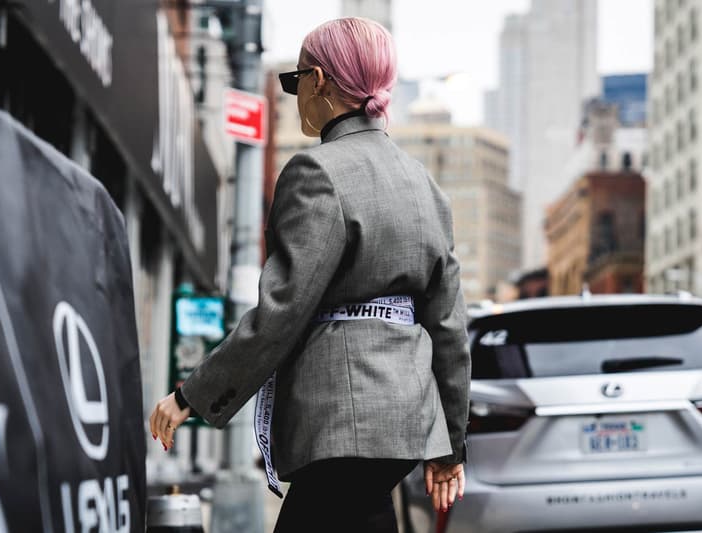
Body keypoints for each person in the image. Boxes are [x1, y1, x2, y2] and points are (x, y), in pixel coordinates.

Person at [149, 17, 470, 532]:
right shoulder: (425, 186)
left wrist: (192, 394)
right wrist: (450, 443)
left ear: (319, 81)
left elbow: (281, 313)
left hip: (341, 422)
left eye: (295, 80)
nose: (294, 94)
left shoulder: (316, 173)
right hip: (405, 422)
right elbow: (450, 326)